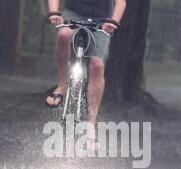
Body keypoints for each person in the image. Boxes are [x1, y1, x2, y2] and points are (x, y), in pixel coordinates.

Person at [46, 0, 127, 141]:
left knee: (97, 65)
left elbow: (121, 3)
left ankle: (91, 123)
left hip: (102, 19)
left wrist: (114, 21)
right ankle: (62, 85)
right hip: (74, 13)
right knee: (64, 35)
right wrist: (53, 12)